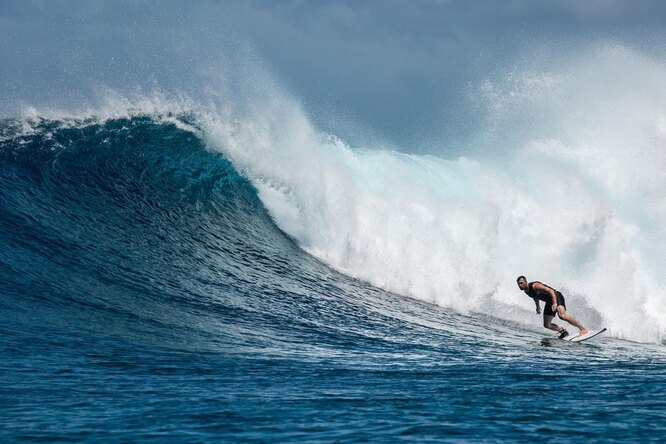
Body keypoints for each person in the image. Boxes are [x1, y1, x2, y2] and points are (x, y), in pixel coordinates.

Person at [516, 276, 588, 339]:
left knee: (562, 316)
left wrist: (555, 303)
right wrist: (537, 307)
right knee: (547, 325)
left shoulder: (535, 286)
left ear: (526, 282)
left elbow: (550, 291)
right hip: (549, 301)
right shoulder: (527, 291)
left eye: (521, 283)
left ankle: (583, 329)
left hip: (556, 296)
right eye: (519, 284)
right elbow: (535, 297)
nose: (520, 285)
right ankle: (563, 332)